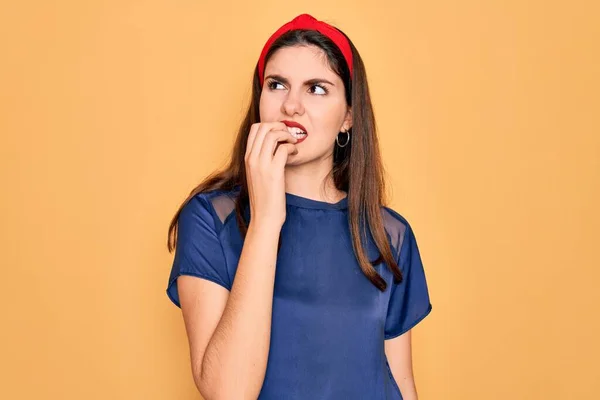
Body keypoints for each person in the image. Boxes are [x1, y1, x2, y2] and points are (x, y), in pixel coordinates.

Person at [165, 13, 432, 400]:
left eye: (317, 89)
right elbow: (227, 392)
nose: (292, 105)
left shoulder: (387, 233)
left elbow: (401, 381)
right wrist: (267, 221)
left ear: (349, 117)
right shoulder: (211, 219)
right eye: (277, 85)